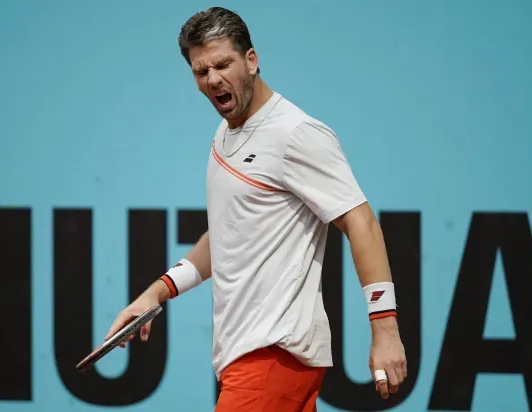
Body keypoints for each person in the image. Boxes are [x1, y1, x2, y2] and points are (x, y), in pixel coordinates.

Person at [105, 6, 407, 411]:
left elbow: (362, 222)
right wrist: (156, 293)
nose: (213, 79)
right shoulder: (224, 136)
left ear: (251, 60)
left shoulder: (296, 134)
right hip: (249, 359)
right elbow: (226, 237)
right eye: (200, 71)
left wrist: (385, 331)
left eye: (222, 64)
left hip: (271, 355)